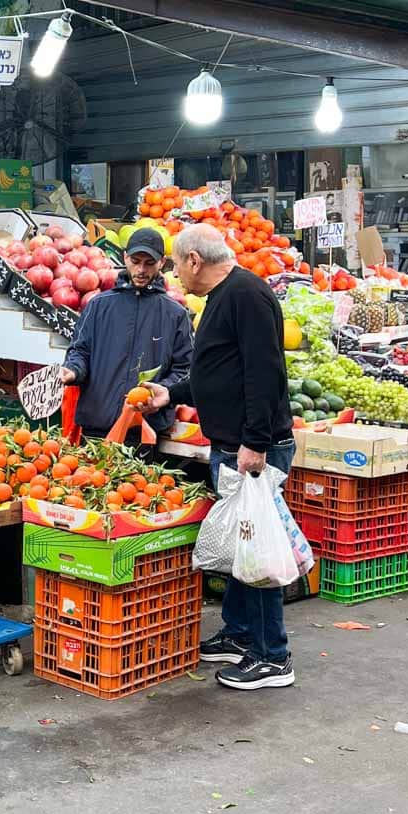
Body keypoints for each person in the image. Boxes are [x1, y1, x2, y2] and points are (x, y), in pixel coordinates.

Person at [147, 223, 295, 691]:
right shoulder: (222, 298)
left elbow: (264, 373)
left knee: (256, 546)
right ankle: (239, 633)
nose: (173, 272)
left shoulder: (247, 295)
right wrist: (167, 394)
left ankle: (273, 656)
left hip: (250, 447)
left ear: (194, 260)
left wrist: (256, 441)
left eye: (174, 263)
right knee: (239, 542)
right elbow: (216, 373)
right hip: (230, 442)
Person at [59, 227, 192, 453]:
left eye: (149, 263)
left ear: (162, 263)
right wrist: (72, 371)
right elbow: (80, 351)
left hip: (143, 430)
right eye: (135, 261)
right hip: (96, 424)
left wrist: (161, 390)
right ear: (124, 258)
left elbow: (186, 368)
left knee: (134, 488)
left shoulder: (175, 314)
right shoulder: (99, 305)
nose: (141, 269)